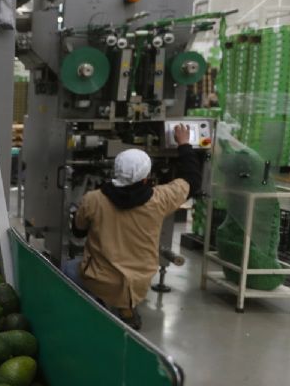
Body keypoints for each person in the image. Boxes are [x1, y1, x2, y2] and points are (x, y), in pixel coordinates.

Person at [66, 125, 201, 329]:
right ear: (146, 177)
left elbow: (78, 231)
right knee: (122, 285)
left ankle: (92, 306)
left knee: (68, 267)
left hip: (99, 279)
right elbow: (192, 179)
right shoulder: (161, 199)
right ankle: (126, 308)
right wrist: (184, 144)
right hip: (139, 281)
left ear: (116, 171)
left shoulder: (93, 200)